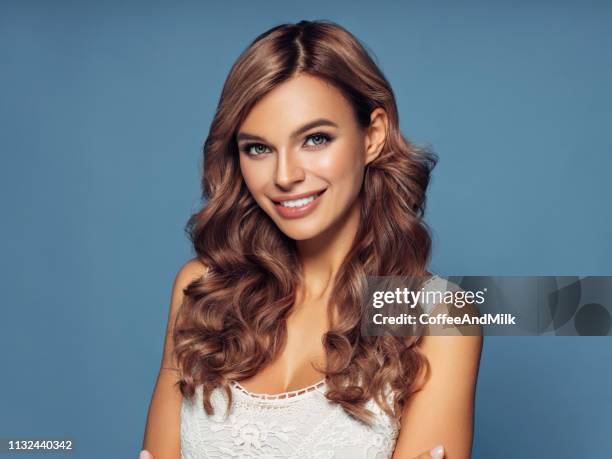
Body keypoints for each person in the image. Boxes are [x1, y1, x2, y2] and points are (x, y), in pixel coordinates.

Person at [140, 19, 482, 459]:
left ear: (373, 136)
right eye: (258, 148)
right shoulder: (201, 289)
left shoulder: (437, 317)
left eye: (315, 139)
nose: (285, 176)